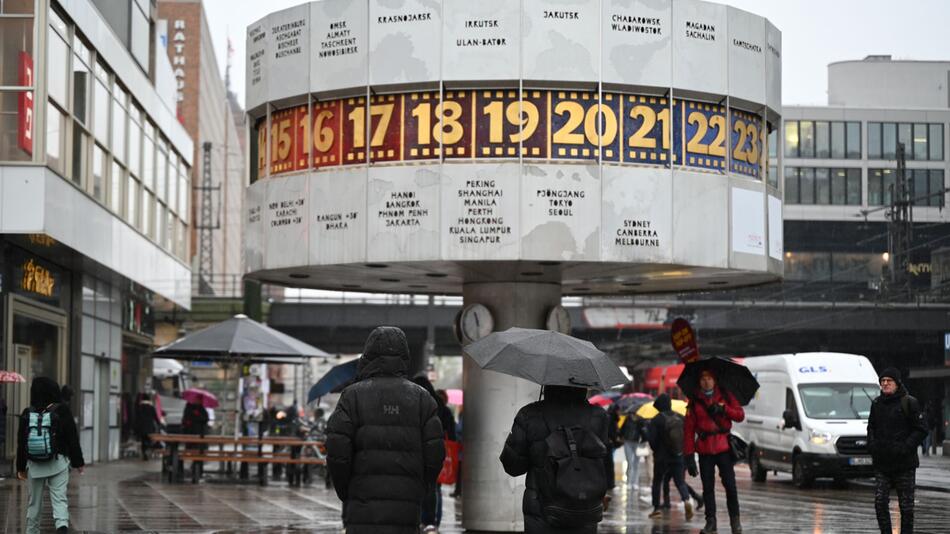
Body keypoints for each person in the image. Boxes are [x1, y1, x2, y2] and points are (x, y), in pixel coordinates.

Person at [326, 326, 445, 534]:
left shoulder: (352, 396)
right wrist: (420, 489)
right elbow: (435, 454)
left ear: (369, 355)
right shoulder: (422, 398)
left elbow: (337, 451)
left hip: (362, 504)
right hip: (406, 506)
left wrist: (347, 490)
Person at [500, 384, 611, 534]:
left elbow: (513, 466)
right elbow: (603, 463)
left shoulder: (530, 414)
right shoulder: (598, 416)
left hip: (542, 508)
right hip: (585, 506)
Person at [16, 377, 85, 534]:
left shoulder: (28, 413)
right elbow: (72, 438)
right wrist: (78, 462)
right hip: (58, 463)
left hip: (34, 465)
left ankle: (32, 531)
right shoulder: (62, 410)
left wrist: (21, 468)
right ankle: (61, 526)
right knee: (59, 500)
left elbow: (21, 443)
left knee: (34, 503)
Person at [867, 367, 928, 534]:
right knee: (880, 502)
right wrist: (872, 445)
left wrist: (905, 447)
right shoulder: (877, 404)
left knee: (906, 507)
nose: (885, 384)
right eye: (882, 381)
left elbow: (921, 429)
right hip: (882, 463)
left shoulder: (909, 402)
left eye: (889, 381)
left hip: (904, 464)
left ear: (897, 383)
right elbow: (871, 427)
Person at [684, 369, 744, 534]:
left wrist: (724, 409)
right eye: (703, 378)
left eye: (709, 378)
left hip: (724, 448)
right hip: (704, 450)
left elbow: (740, 415)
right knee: (708, 488)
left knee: (730, 486)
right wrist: (689, 456)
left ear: (715, 380)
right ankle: (711, 522)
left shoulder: (726, 395)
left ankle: (735, 521)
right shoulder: (694, 401)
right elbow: (688, 430)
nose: (706, 382)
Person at [412, 377, 457, 532]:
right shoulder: (442, 407)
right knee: (434, 487)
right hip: (437, 451)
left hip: (417, 452)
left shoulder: (415, 404)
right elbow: (451, 433)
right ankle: (433, 521)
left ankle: (419, 519)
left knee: (417, 486)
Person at [647, 394, 693, 521]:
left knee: (657, 481)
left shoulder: (656, 419)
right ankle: (686, 500)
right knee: (680, 481)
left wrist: (657, 451)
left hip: (661, 457)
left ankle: (656, 509)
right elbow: (688, 436)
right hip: (678, 456)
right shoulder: (680, 417)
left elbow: (652, 440)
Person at [618, 408, 644, 489]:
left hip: (637, 443)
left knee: (636, 463)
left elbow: (644, 431)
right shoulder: (627, 419)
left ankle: (635, 483)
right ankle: (629, 482)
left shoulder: (641, 420)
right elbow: (622, 429)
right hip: (628, 442)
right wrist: (620, 437)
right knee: (629, 462)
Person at [134, 393, 164, 460]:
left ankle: (144, 452)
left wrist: (135, 427)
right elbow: (156, 418)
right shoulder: (151, 408)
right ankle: (147, 451)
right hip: (150, 428)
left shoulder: (139, 407)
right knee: (149, 440)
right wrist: (159, 424)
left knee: (143, 440)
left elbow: (136, 418)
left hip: (141, 427)